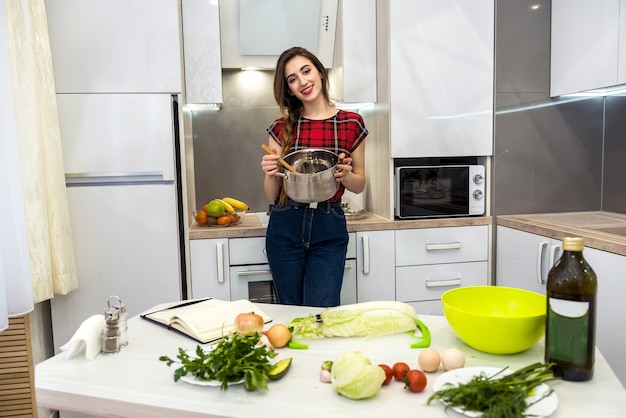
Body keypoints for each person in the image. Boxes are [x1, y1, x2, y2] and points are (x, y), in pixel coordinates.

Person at [260, 46, 368, 307]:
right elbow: (272, 194)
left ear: (319, 71)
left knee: (323, 312)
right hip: (285, 224)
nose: (302, 82)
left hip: (328, 225)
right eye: (292, 79)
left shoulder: (351, 123)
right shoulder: (280, 127)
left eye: (306, 71)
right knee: (290, 313)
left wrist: (345, 174)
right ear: (289, 89)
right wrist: (270, 171)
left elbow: (360, 183)